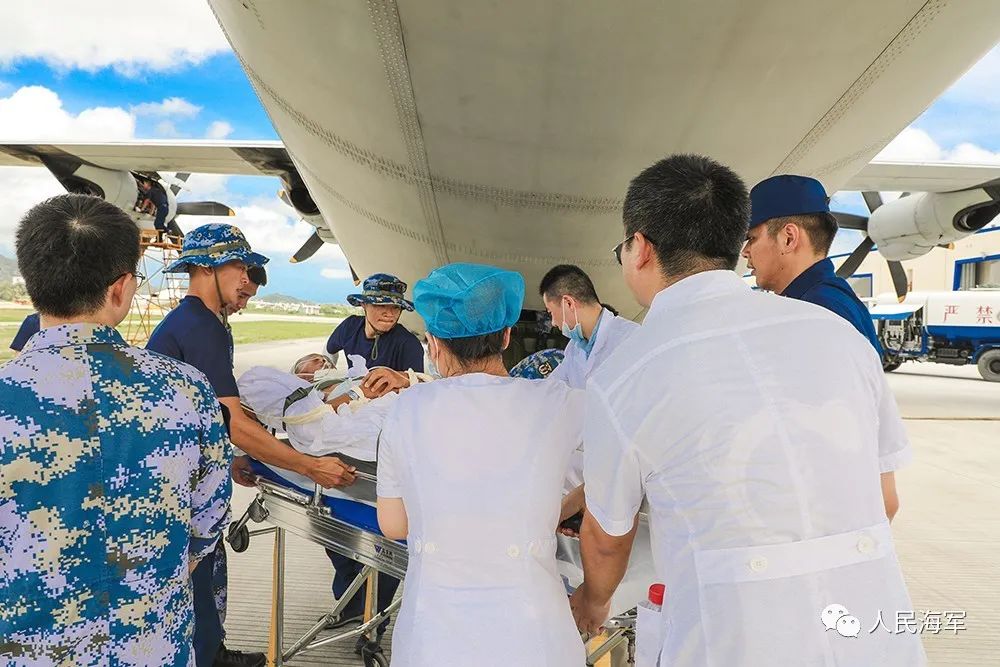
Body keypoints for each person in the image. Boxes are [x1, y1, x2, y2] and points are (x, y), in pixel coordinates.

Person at [570, 154, 924, 666]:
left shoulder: (626, 373)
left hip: (732, 641)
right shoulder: (839, 335)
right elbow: (884, 498)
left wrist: (592, 601)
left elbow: (606, 540)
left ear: (641, 248)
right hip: (873, 637)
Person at [0, 194, 231, 666]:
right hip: (153, 648)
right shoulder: (187, 391)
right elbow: (207, 522)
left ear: (33, 283)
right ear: (123, 288)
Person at [147, 223, 356, 667]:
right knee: (195, 574)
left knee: (202, 575)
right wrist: (308, 466)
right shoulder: (198, 325)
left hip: (189, 470)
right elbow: (234, 422)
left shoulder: (206, 324)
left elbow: (216, 417)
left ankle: (211, 652)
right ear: (204, 266)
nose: (247, 278)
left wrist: (237, 456)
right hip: (175, 479)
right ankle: (206, 657)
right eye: (237, 265)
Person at [376, 262, 586, 667]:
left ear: (433, 343)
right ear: (506, 335)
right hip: (533, 635)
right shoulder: (558, 403)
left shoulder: (405, 410)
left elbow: (395, 525)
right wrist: (568, 503)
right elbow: (626, 459)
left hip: (433, 636)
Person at [320, 272, 423, 637]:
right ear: (364, 305)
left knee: (384, 538)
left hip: (380, 439)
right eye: (381, 305)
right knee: (334, 528)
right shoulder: (346, 330)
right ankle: (350, 600)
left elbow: (417, 392)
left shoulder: (407, 344)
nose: (389, 313)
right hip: (342, 430)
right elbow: (327, 363)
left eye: (395, 307)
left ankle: (375, 618)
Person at [742, 174, 883, 355]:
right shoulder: (832, 301)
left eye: (752, 238)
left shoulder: (820, 311)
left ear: (788, 238)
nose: (745, 251)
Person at [540, 264, 638, 389]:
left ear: (568, 303)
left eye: (550, 312)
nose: (553, 322)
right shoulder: (574, 349)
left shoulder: (630, 338)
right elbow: (551, 388)